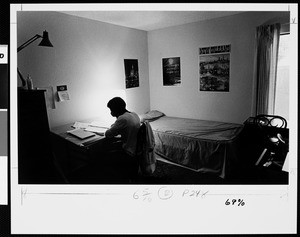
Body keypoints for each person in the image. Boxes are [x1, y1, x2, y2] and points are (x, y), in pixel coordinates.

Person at [104, 97, 140, 182]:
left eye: (111, 110)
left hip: (129, 149)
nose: (110, 112)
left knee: (103, 148)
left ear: (115, 109)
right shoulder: (134, 114)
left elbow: (108, 134)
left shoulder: (122, 119)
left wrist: (115, 124)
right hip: (136, 146)